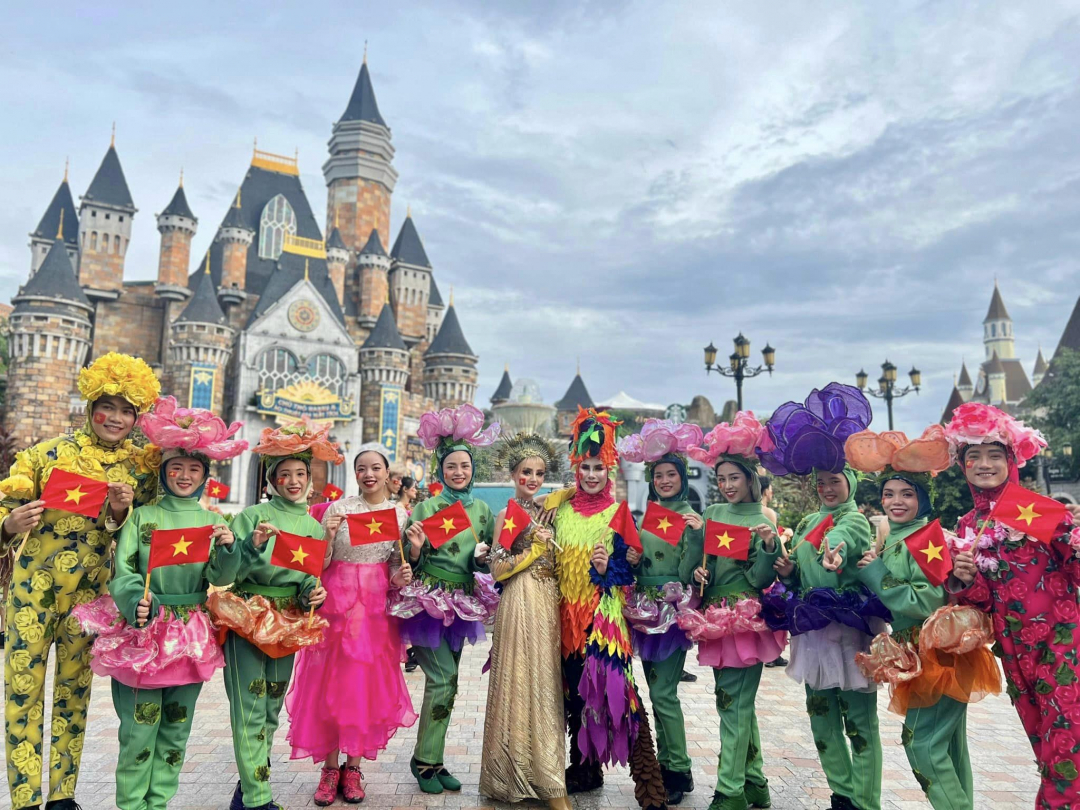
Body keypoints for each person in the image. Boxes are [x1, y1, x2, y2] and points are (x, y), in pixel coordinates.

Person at [0, 352, 161, 810]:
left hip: (89, 601)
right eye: (107, 406)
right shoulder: (45, 455)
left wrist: (119, 512)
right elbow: (2, 508)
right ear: (90, 406)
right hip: (32, 592)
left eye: (128, 409)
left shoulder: (140, 470)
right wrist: (9, 525)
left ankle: (61, 796)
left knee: (73, 695)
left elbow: (145, 533)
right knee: (23, 693)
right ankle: (26, 799)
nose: (116, 417)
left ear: (137, 416)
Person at [74, 395, 247, 810]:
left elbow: (222, 579)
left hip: (191, 633)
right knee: (138, 728)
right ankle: (132, 805)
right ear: (164, 471)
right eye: (177, 468)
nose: (185, 476)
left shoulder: (213, 521)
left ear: (204, 475)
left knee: (176, 727)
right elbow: (125, 571)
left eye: (193, 469)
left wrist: (228, 549)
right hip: (144, 631)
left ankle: (159, 802)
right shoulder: (142, 517)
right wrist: (136, 600)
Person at [845, 424, 1000, 810]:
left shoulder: (925, 537)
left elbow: (926, 601)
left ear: (923, 499)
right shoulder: (898, 536)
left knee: (922, 746)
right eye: (888, 494)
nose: (896, 502)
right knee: (948, 746)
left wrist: (877, 574)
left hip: (936, 653)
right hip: (922, 652)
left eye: (906, 494)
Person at [945, 403, 1079, 809]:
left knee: (1067, 738)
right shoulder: (968, 525)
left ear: (1011, 460)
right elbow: (983, 603)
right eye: (974, 456)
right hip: (1013, 653)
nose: (984, 464)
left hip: (1063, 644)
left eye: (994, 455)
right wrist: (965, 580)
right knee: (1043, 741)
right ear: (963, 465)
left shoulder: (1034, 508)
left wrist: (1071, 535)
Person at [758, 384, 885, 810]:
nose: (829, 488)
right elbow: (801, 567)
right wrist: (791, 568)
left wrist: (835, 558)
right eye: (823, 482)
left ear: (850, 482)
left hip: (848, 634)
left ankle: (865, 801)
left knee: (859, 723)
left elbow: (844, 544)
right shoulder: (813, 517)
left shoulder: (853, 521)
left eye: (836, 481)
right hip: (811, 635)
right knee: (821, 719)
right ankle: (841, 793)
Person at [209, 417, 341, 810]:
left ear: (310, 477)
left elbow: (307, 577)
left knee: (268, 711)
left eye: (301, 473)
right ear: (272, 480)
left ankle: (248, 786)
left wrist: (311, 593)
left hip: (288, 624)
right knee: (249, 709)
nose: (294, 480)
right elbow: (225, 573)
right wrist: (250, 545)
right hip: (247, 617)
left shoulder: (313, 527)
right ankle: (258, 799)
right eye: (285, 474)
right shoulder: (252, 516)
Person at [287, 444, 417, 805]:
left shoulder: (398, 515)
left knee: (363, 687)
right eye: (362, 468)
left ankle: (354, 768)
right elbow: (320, 563)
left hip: (374, 611)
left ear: (388, 474)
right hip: (336, 606)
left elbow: (394, 564)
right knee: (329, 684)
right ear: (355, 474)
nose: (369, 474)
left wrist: (402, 573)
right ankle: (330, 769)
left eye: (376, 467)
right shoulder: (338, 510)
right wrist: (327, 536)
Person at [551, 407, 668, 809]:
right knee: (576, 696)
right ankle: (584, 767)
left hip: (603, 619)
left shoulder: (618, 513)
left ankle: (649, 784)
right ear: (575, 468)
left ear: (610, 469)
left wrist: (607, 568)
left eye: (599, 467)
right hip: (565, 620)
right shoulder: (560, 510)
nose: (591, 474)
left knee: (622, 696)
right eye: (585, 467)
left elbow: (630, 567)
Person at [392, 403, 500, 794]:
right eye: (451, 467)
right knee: (444, 680)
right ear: (441, 471)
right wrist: (417, 548)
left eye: (465, 467)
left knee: (447, 684)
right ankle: (424, 759)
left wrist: (485, 558)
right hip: (428, 604)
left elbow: (484, 565)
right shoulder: (428, 507)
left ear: (473, 470)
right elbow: (411, 563)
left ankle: (434, 761)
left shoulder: (484, 510)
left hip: (463, 604)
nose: (459, 472)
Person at [681, 412, 786, 810]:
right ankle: (755, 783)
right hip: (713, 616)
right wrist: (696, 556)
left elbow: (759, 579)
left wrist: (770, 547)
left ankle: (730, 792)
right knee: (736, 704)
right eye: (721, 479)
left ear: (750, 479)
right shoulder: (710, 515)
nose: (726, 486)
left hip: (745, 618)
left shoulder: (762, 520)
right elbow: (693, 568)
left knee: (732, 705)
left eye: (734, 478)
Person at [480, 433, 570, 810]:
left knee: (547, 684)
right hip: (519, 601)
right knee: (519, 681)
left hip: (550, 605)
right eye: (525, 472)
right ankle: (520, 775)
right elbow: (498, 570)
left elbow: (580, 490)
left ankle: (546, 771)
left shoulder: (550, 510)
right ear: (513, 475)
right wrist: (534, 549)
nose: (532, 479)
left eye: (539, 473)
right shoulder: (508, 515)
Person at [618, 419, 703, 805]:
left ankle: (679, 769)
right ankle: (670, 764)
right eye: (659, 475)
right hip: (644, 611)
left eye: (672, 474)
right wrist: (632, 560)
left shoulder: (690, 518)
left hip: (670, 611)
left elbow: (689, 572)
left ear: (683, 479)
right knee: (657, 692)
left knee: (665, 693)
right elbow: (643, 564)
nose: (665, 480)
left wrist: (697, 535)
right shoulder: (649, 513)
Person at [758, 475, 788, 670]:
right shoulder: (768, 512)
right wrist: (786, 536)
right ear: (766, 490)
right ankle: (771, 653)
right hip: (769, 569)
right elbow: (775, 544)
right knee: (774, 612)